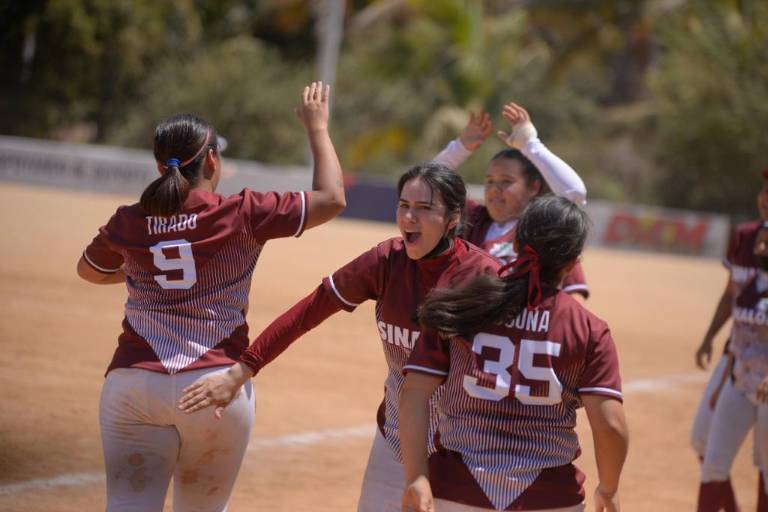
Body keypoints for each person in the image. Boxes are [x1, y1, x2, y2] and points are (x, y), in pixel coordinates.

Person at [76, 81, 346, 512]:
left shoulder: (128, 221)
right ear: (213, 160)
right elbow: (332, 198)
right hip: (214, 387)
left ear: (158, 163)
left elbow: (89, 271)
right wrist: (317, 127)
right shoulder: (241, 211)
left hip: (132, 383)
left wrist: (142, 275)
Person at [178, 162, 501, 512]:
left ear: (453, 219)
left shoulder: (482, 277)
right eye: (404, 206)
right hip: (396, 439)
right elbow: (309, 311)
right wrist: (240, 371)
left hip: (466, 447)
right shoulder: (387, 260)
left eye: (424, 209)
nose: (409, 218)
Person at [400, 195, 629, 512]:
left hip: (457, 486)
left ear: (516, 243)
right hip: (549, 494)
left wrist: (417, 477)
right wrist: (609, 488)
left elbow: (413, 392)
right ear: (573, 262)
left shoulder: (462, 305)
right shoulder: (589, 329)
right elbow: (611, 427)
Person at [432, 103, 590, 301]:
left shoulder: (548, 229)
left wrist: (531, 145)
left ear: (533, 187)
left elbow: (575, 193)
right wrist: (459, 148)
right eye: (489, 181)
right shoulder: (474, 220)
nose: (495, 189)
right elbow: (427, 186)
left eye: (506, 181)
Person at [693, 171, 768, 511]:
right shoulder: (745, 236)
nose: (766, 197)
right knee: (712, 459)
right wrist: (710, 336)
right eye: (765, 190)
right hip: (739, 373)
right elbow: (730, 295)